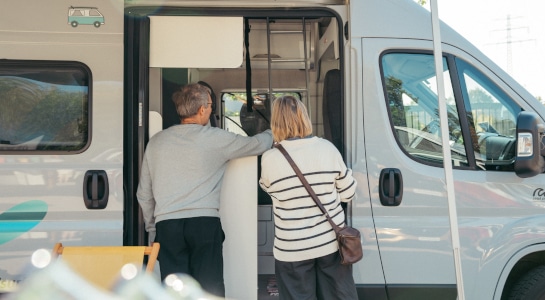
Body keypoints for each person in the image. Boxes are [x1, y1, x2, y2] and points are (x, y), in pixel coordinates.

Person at [136, 83, 273, 297]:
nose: (211, 110)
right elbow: (257, 144)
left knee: (174, 293)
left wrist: (153, 229)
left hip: (167, 228)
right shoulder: (215, 138)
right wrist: (274, 131)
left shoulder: (156, 142)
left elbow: (143, 193)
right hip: (204, 225)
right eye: (210, 105)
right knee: (210, 289)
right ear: (201, 109)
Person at [259, 95, 358, 300]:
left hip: (292, 248)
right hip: (330, 243)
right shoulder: (327, 149)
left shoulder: (270, 158)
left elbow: (272, 193)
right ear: (304, 117)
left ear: (275, 121)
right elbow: (348, 193)